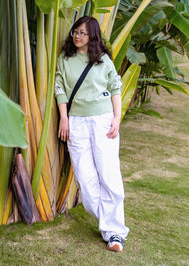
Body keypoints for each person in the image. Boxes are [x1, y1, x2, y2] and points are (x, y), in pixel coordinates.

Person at [54, 15, 128, 253]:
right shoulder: (64, 59)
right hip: (75, 121)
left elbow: (115, 88)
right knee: (86, 183)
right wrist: (64, 118)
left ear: (92, 36)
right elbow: (60, 89)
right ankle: (109, 223)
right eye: (76, 31)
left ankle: (115, 232)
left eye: (83, 33)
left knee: (108, 175)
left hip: (102, 120)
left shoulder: (103, 60)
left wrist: (116, 118)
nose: (77, 36)